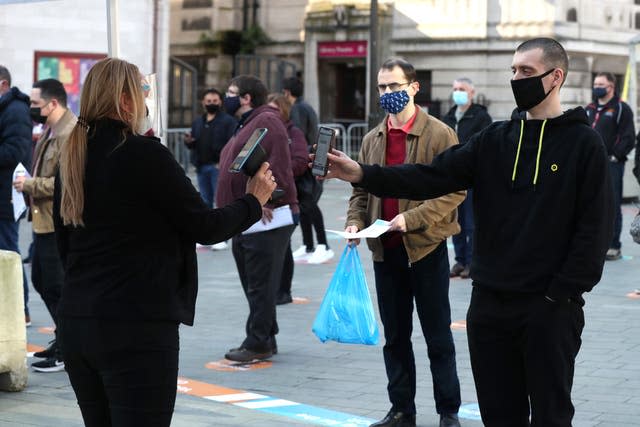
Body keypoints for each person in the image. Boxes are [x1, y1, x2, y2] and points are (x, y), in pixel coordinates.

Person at [322, 38, 614, 427]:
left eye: (526, 71)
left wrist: (559, 295)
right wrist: (362, 173)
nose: (516, 78)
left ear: (555, 76)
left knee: (551, 414)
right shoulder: (495, 139)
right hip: (490, 305)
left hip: (549, 309)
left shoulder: (583, 144)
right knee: (499, 414)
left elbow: (595, 228)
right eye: (513, 70)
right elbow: (431, 175)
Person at [53, 58, 276, 427]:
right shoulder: (142, 153)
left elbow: (64, 247)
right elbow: (204, 226)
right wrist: (253, 201)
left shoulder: (72, 156)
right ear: (125, 101)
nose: (146, 99)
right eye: (143, 90)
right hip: (136, 326)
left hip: (78, 321)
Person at [345, 58, 464, 427]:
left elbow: (455, 190)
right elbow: (360, 192)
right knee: (395, 338)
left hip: (425, 249)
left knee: (437, 337)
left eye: (394, 86)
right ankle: (401, 410)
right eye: (382, 87)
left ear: (414, 88)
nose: (387, 94)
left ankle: (448, 412)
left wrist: (410, 220)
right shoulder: (372, 139)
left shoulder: (440, 134)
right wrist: (353, 223)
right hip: (385, 252)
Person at [217, 75, 299, 362]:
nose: (225, 97)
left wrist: (267, 198)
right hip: (247, 217)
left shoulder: (266, 122)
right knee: (255, 281)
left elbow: (275, 167)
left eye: (230, 92)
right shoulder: (251, 122)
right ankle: (267, 334)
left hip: (264, 218)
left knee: (259, 283)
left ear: (246, 98)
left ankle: (258, 341)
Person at [13, 79, 76, 372]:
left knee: (56, 284)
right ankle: (63, 338)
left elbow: (67, 183)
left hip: (57, 222)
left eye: (36, 104)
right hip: (42, 221)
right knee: (41, 279)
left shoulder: (69, 133)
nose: (31, 109)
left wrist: (30, 184)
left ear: (53, 103)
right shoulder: (52, 130)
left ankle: (69, 346)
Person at [441, 78, 492, 279]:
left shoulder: (480, 116)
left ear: (471, 92)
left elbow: (484, 145)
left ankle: (472, 261)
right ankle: (460, 260)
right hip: (453, 177)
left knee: (471, 222)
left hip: (472, 177)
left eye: (462, 89)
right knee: (457, 221)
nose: (458, 92)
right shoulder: (449, 116)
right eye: (455, 89)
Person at [282, 76, 334, 264]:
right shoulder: (306, 107)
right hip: (310, 159)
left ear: (287, 92)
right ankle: (308, 245)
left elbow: (298, 137)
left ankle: (323, 245)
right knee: (304, 205)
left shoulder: (297, 109)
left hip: (305, 163)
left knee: (308, 204)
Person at [585, 72, 635, 261]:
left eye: (601, 83)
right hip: (590, 165)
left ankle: (613, 246)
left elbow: (628, 136)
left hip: (612, 165)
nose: (596, 86)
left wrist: (615, 156)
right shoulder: (589, 108)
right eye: (595, 83)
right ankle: (592, 244)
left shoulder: (621, 108)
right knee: (589, 204)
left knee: (611, 204)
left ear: (611, 86)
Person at [266, 93, 309, 305]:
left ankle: (283, 291)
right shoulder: (263, 131)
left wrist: (276, 171)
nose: (270, 114)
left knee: (281, 246)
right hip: (266, 199)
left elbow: (301, 161)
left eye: (274, 110)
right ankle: (275, 289)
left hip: (286, 200)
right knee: (273, 247)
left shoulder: (294, 133)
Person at [185, 88, 237, 251]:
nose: (211, 104)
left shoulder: (228, 121)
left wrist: (224, 162)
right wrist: (189, 142)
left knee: (221, 202)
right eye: (208, 101)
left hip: (218, 167)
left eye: (214, 101)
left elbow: (233, 143)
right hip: (201, 166)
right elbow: (195, 142)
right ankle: (209, 236)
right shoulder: (198, 122)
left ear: (220, 102)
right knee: (205, 202)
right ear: (203, 103)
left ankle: (224, 238)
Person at [0, 65, 32, 326]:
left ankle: (20, 311)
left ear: (2, 84)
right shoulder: (7, 109)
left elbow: (14, 151)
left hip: (7, 196)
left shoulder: (15, 111)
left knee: (9, 252)